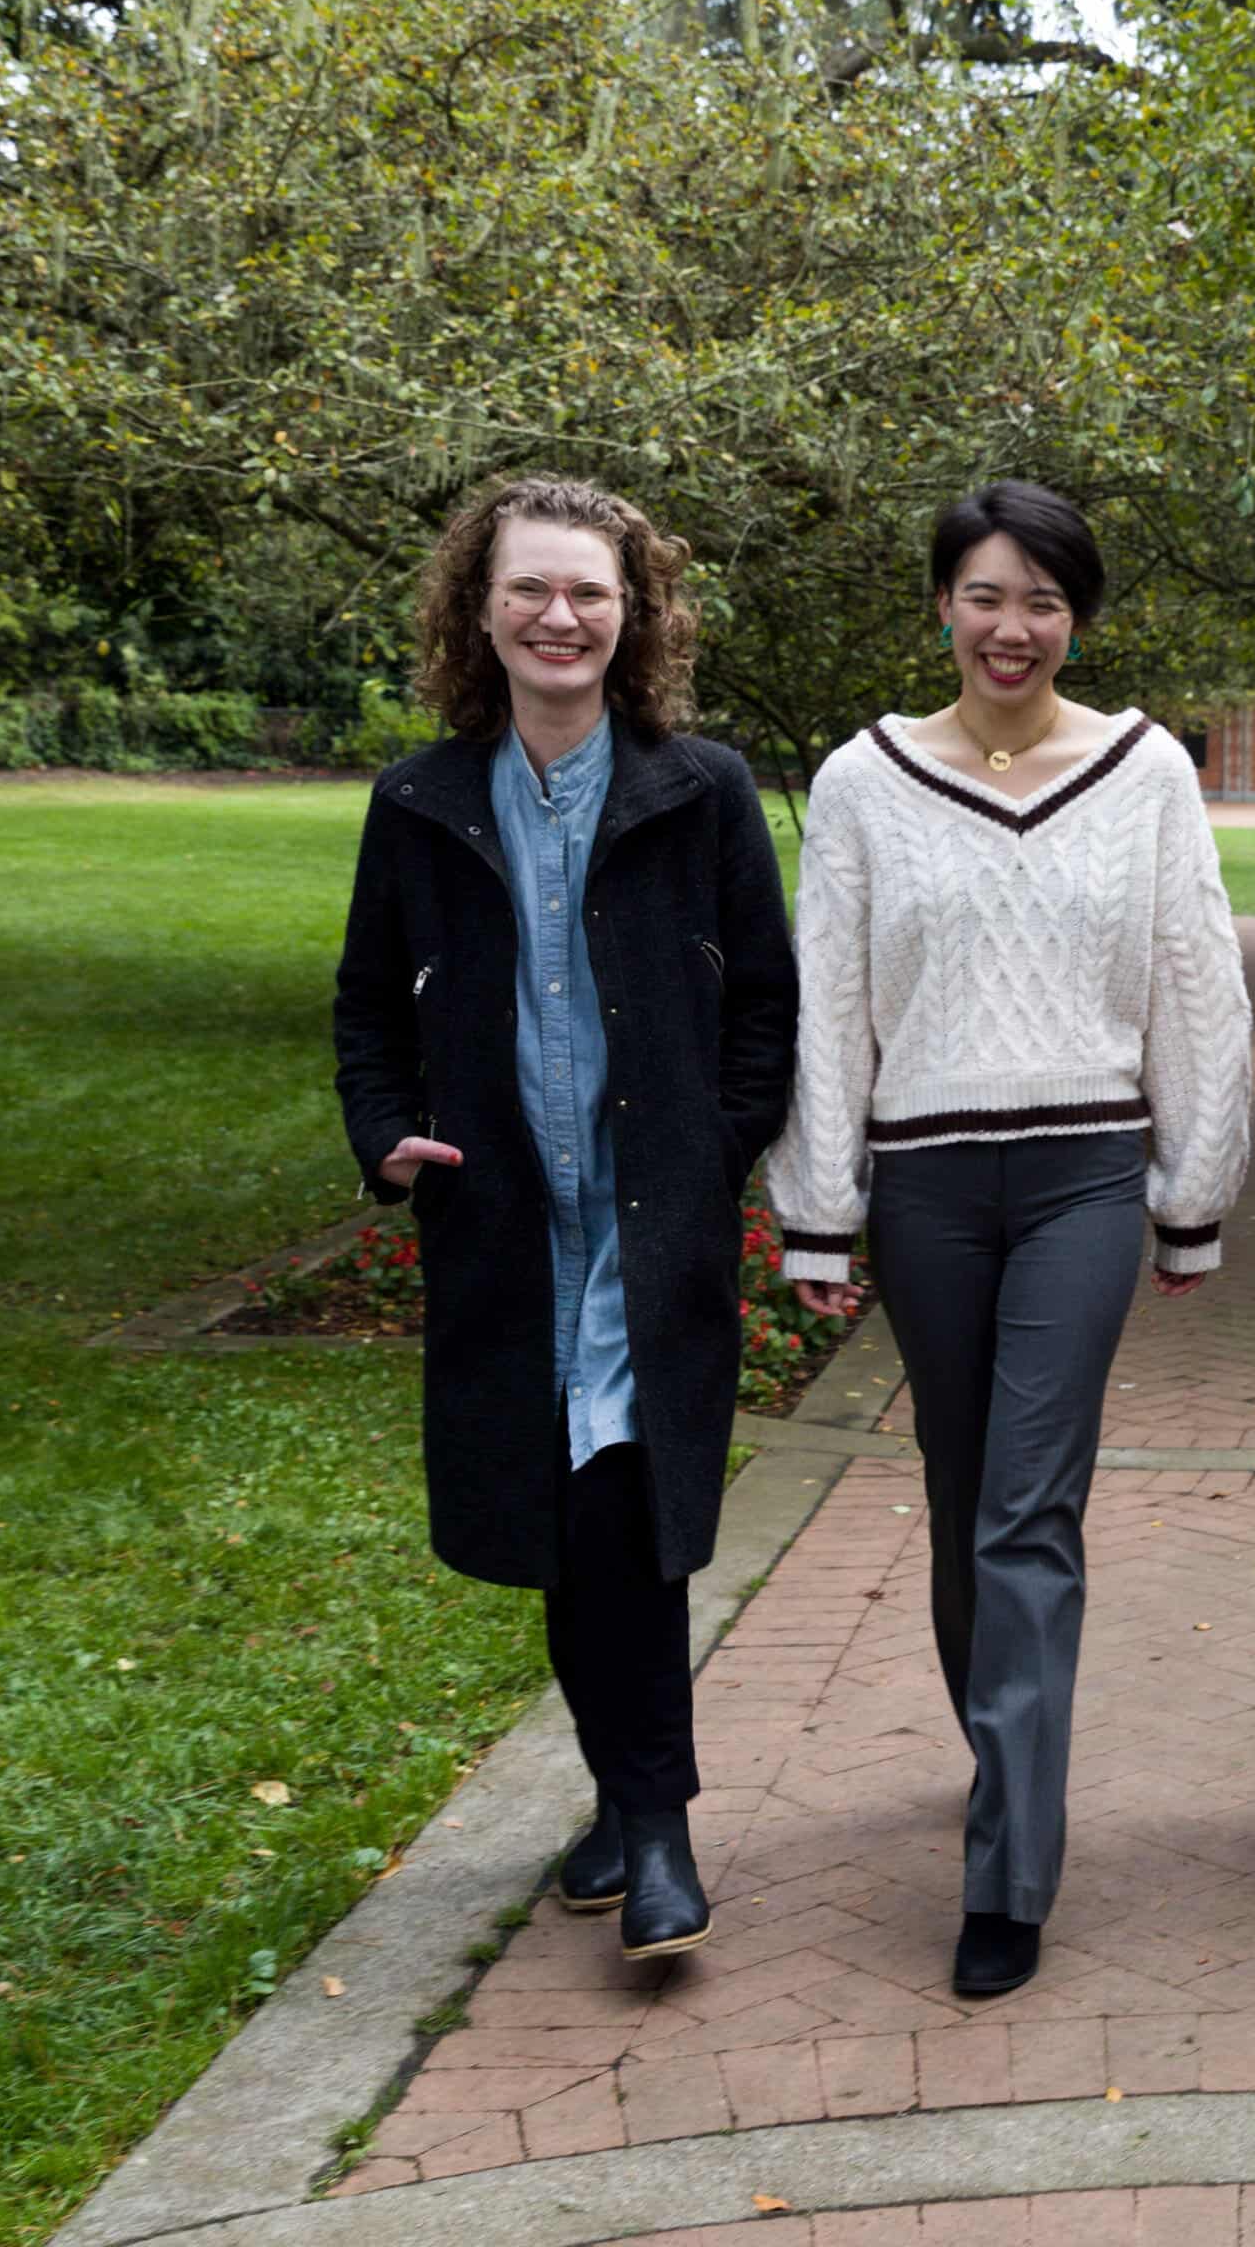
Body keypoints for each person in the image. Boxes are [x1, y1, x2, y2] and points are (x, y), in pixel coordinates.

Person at [766, 480, 1250, 2000]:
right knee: (964, 1490)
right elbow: (826, 994)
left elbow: (1194, 975)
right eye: (985, 595)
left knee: (1029, 1508)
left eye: (1042, 601)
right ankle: (1002, 1741)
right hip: (921, 1186)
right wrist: (819, 1212)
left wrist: (1194, 1187)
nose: (1012, 627)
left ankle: (1009, 1868)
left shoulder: (1144, 767)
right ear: (941, 607)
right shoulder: (861, 781)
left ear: (1076, 619)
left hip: (1080, 1180)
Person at [332, 473, 800, 1961]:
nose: (560, 614)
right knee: (559, 1519)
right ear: (481, 608)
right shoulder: (418, 803)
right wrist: (383, 1139)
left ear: (633, 613)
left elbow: (767, 1012)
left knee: (627, 1521)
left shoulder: (700, 786)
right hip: (502, 1230)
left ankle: (654, 1833)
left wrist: (715, 1150)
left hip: (650, 1227)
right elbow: (362, 1010)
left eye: (589, 591)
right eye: (531, 587)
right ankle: (622, 1807)